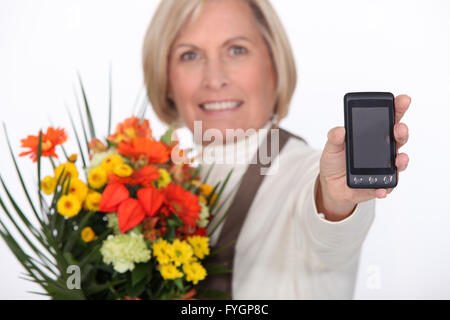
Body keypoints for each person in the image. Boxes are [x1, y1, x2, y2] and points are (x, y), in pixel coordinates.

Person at [142, 0, 410, 299]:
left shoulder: (300, 174)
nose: (214, 79)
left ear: (274, 63)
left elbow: (327, 228)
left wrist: (335, 201)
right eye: (189, 55)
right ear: (165, 77)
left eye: (236, 49)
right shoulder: (154, 185)